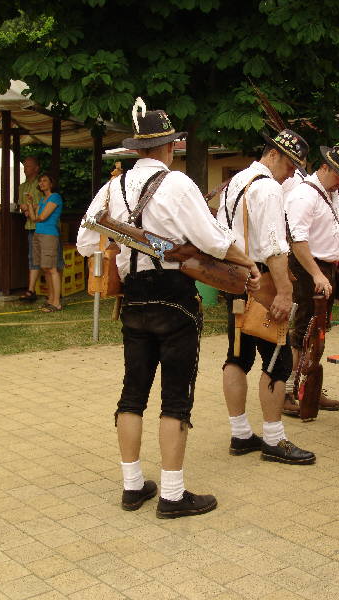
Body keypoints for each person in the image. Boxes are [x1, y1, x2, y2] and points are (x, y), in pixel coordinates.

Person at [77, 99, 261, 518]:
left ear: (137, 148)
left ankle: (132, 488)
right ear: (170, 146)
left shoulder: (113, 188)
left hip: (134, 298)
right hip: (175, 296)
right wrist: (248, 262)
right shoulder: (177, 184)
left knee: (132, 393)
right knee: (175, 398)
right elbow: (214, 240)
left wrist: (123, 245)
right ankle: (173, 496)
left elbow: (87, 243)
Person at [216, 129, 315, 465]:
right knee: (278, 359)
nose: (290, 174)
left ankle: (240, 433)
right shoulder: (269, 187)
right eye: (290, 165)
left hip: (235, 279)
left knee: (237, 357)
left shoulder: (235, 182)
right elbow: (274, 246)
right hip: (263, 282)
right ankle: (274, 439)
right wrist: (284, 292)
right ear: (274, 154)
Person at [283, 142, 339, 417]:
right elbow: (298, 240)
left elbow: (329, 235)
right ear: (324, 167)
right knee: (303, 331)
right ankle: (287, 390)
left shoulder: (336, 199)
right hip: (306, 269)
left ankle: (309, 387)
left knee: (318, 332)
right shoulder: (304, 195)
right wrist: (316, 274)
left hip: (325, 270)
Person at [26, 174, 63, 312]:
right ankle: (50, 299)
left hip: (49, 235)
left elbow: (42, 217)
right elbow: (34, 218)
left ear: (51, 184)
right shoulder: (42, 200)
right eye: (40, 181)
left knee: (52, 269)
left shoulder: (55, 197)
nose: (41, 183)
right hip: (38, 234)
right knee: (45, 268)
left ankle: (57, 303)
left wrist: (36, 214)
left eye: (45, 180)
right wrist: (30, 203)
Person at [19, 156, 41, 302]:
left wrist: (30, 207)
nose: (25, 169)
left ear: (36, 168)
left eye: (28, 166)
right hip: (30, 226)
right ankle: (31, 290)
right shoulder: (22, 186)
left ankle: (51, 291)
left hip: (42, 225)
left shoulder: (41, 183)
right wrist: (28, 208)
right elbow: (21, 205)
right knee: (32, 257)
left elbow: (44, 203)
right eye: (24, 166)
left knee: (47, 259)